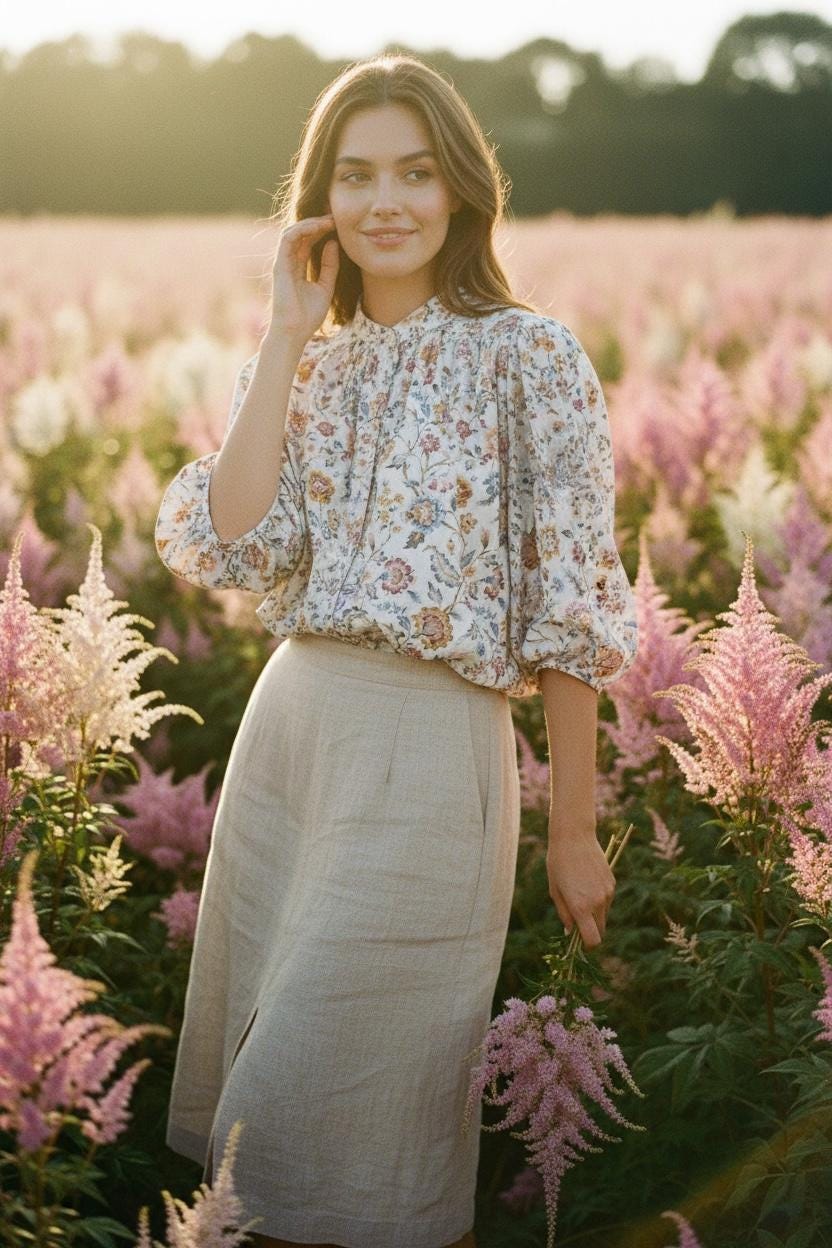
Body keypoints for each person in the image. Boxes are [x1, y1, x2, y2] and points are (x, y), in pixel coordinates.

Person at [154, 51, 638, 1248]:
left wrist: (572, 828)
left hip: (430, 753)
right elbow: (229, 541)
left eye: (415, 173)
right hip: (294, 738)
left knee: (340, 1129)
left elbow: (568, 609)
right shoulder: (303, 362)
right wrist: (281, 330)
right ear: (317, 199)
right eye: (356, 175)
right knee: (257, 1146)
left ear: (463, 188)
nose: (386, 202)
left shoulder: (530, 357)